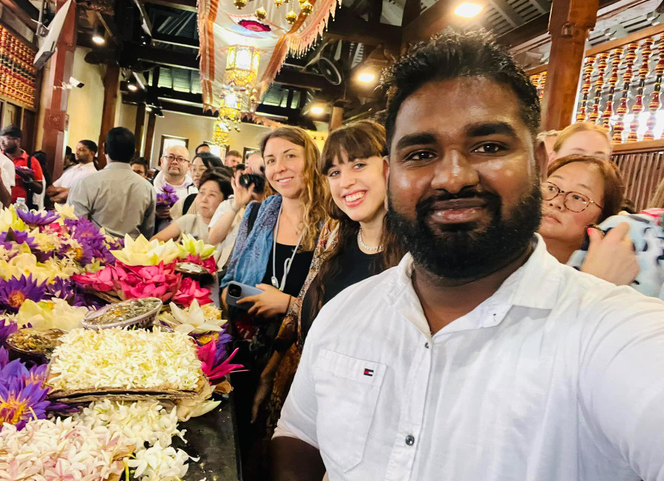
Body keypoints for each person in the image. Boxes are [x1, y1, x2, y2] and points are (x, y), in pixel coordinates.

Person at [272, 30, 664, 481]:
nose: (453, 177)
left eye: (489, 147)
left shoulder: (610, 335)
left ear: (538, 163)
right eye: (421, 153)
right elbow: (300, 431)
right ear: (392, 173)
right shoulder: (346, 311)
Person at [254, 120, 406, 439]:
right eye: (334, 172)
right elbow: (303, 312)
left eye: (359, 164)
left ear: (389, 167)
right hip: (305, 409)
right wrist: (269, 374)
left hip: (368, 429)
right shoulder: (332, 236)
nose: (345, 182)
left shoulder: (416, 259)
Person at [221, 126, 327, 481]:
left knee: (280, 458)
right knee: (239, 449)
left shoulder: (336, 222)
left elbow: (339, 304)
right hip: (246, 353)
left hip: (299, 363)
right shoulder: (255, 215)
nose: (279, 167)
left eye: (290, 156)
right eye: (270, 160)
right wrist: (249, 296)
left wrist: (286, 303)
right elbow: (227, 284)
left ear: (310, 160)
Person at [538, 155, 638, 286]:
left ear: (602, 218)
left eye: (577, 197)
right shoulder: (505, 254)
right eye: (551, 188)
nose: (556, 202)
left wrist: (598, 283)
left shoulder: (613, 273)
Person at [69, 127, 156, 239]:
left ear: (104, 148)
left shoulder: (87, 182)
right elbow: (147, 230)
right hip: (130, 254)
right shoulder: (147, 187)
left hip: (95, 251)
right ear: (134, 152)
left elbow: (76, 224)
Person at [153, 168, 233, 244]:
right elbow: (155, 240)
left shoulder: (231, 229)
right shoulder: (190, 220)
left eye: (212, 195)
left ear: (225, 200)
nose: (204, 199)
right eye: (202, 192)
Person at [0, 124, 43, 209]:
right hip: (0, 206)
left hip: (21, 207)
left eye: (6, 139)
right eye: (0, 139)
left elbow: (39, 189)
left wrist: (27, 179)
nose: (2, 143)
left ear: (17, 140)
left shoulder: (31, 161)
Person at [47, 140, 98, 204]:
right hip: (59, 210)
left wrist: (65, 192)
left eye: (81, 150)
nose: (77, 152)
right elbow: (50, 190)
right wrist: (65, 190)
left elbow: (79, 196)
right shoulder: (71, 170)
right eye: (77, 149)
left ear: (92, 153)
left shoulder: (92, 173)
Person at [175, 153, 226, 217]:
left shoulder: (229, 204)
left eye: (202, 169)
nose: (196, 174)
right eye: (194, 169)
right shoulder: (187, 201)